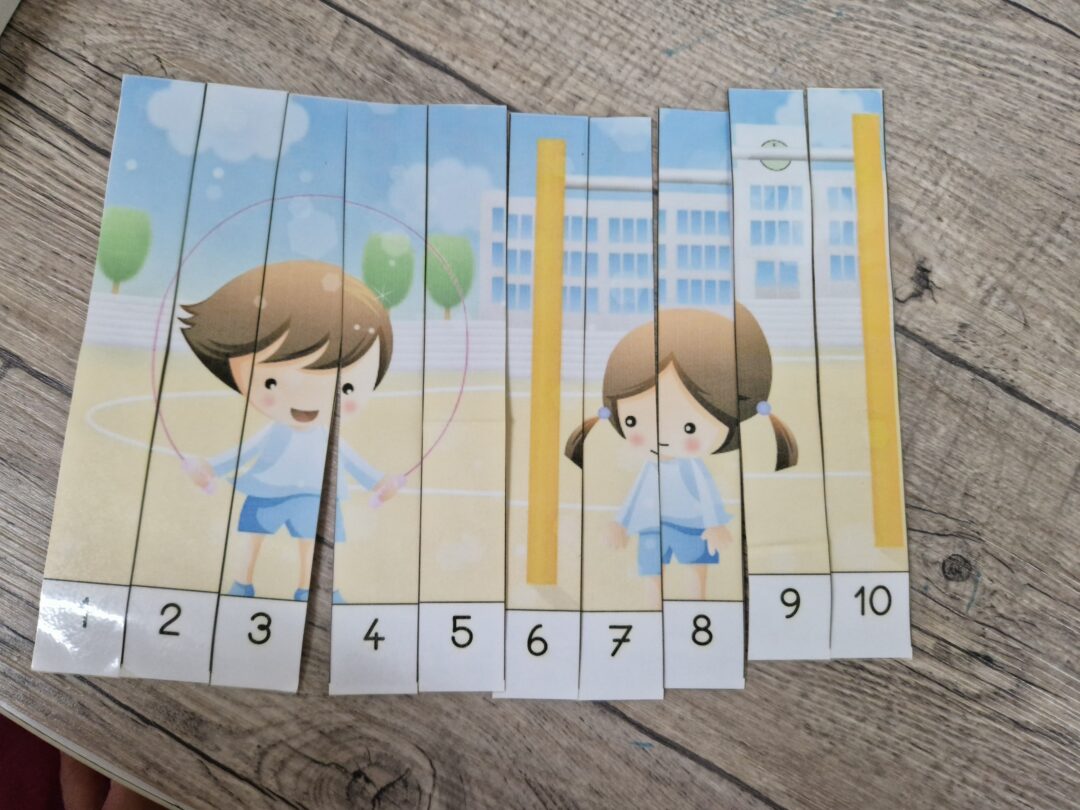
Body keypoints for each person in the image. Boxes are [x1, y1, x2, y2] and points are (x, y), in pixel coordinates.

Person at [181, 261, 399, 601]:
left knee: (312, 541)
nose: (305, 399)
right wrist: (210, 468)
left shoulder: (328, 438)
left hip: (312, 496)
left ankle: (307, 589)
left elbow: (352, 462)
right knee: (253, 537)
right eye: (271, 382)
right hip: (266, 490)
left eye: (345, 387)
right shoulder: (276, 432)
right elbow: (244, 453)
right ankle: (242, 583)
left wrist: (379, 482)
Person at [565, 306, 797, 600]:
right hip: (652, 527)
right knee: (652, 575)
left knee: (696, 574)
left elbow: (707, 494)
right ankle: (656, 613)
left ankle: (697, 608)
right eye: (633, 421)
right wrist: (619, 523)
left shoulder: (692, 467)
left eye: (690, 427)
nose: (662, 437)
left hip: (691, 528)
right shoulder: (651, 466)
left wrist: (714, 524)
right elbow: (636, 494)